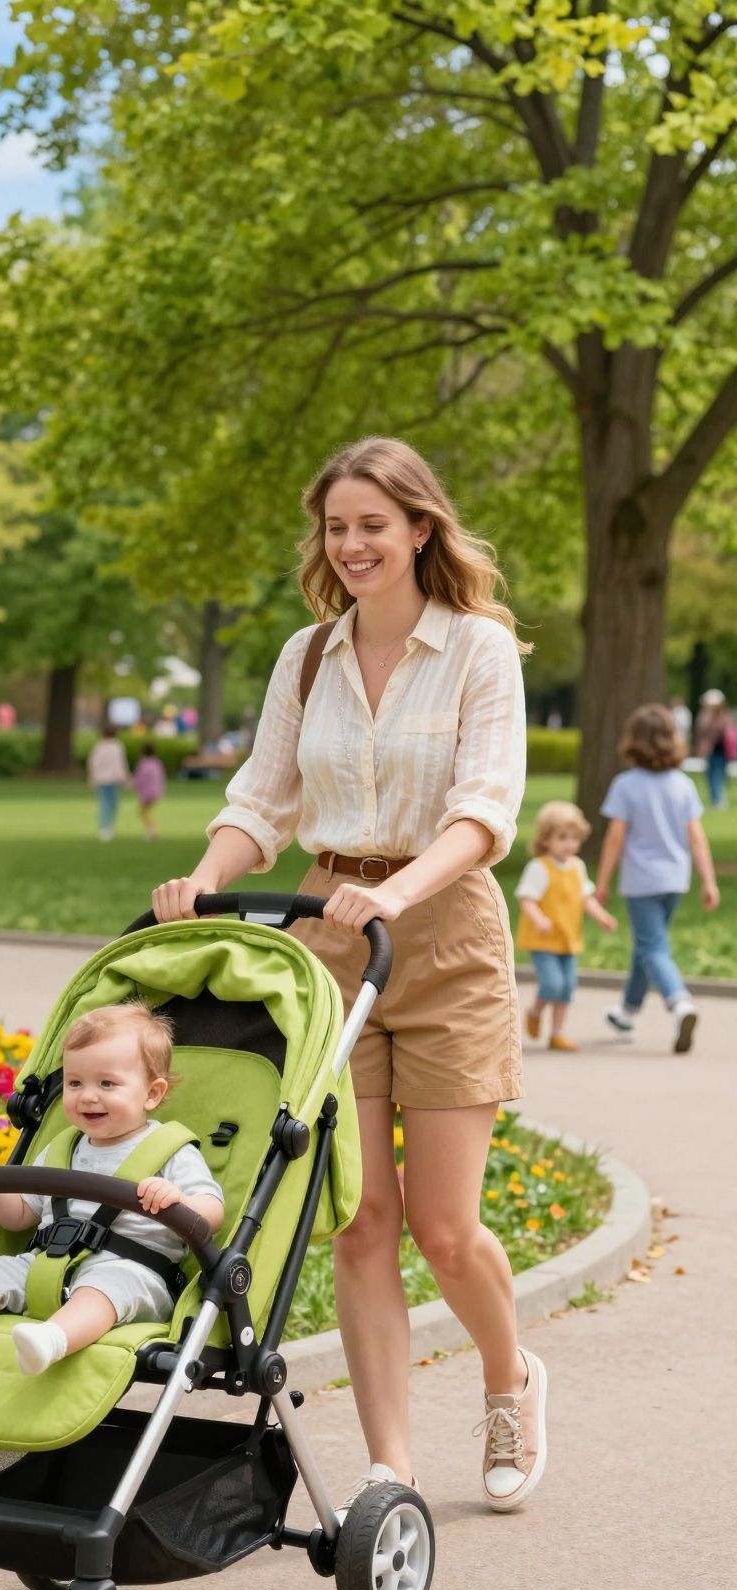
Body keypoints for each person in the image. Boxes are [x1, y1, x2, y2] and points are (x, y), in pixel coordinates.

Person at [151, 435, 545, 1511]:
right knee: (362, 1215)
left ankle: (508, 1379)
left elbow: (485, 807)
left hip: (446, 934)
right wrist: (204, 873)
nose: (354, 543)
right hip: (330, 942)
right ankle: (392, 1469)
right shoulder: (308, 655)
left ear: (422, 527)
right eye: (338, 526)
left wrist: (402, 891)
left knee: (445, 1228)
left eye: (375, 523)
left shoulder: (477, 648)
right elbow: (262, 800)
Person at [0, 1003, 224, 1375]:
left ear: (152, 1094)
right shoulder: (64, 1146)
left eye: (107, 1083)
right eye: (75, 1083)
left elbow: (212, 1211)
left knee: (103, 1290)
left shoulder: (170, 1150)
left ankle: (51, 1340)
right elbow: (20, 1216)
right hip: (48, 1264)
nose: (87, 1096)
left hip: (131, 1272)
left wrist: (178, 1200)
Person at [598, 704, 720, 1054]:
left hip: (641, 881)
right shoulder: (682, 785)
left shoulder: (625, 785)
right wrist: (708, 881)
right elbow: (697, 837)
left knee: (652, 947)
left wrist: (603, 882)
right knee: (648, 946)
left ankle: (680, 1003)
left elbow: (615, 838)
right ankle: (626, 1012)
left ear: (632, 741)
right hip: (675, 880)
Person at [515, 800, 617, 1050]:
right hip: (543, 940)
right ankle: (536, 1012)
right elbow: (527, 900)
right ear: (546, 839)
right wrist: (539, 919)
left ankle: (557, 1033)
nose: (569, 844)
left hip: (568, 938)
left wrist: (602, 916)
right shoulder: (539, 868)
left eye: (574, 838)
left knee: (567, 987)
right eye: (562, 837)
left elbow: (586, 899)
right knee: (552, 984)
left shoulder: (577, 867)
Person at [88, 720, 130, 841]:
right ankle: (108, 827)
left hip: (102, 779)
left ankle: (104, 828)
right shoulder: (117, 746)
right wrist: (125, 779)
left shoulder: (99, 746)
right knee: (112, 805)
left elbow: (93, 763)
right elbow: (121, 764)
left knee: (104, 804)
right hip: (113, 779)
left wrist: (92, 776)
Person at [693, 689, 733, 809]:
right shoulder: (705, 715)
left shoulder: (724, 715)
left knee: (718, 774)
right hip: (710, 750)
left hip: (722, 750)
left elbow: (725, 729)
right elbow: (700, 729)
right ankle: (716, 797)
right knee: (710, 775)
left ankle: (718, 798)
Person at [133, 742, 167, 840]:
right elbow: (162, 777)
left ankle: (153, 831)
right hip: (156, 791)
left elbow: (140, 778)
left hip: (147, 793)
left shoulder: (143, 764)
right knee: (144, 811)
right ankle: (152, 830)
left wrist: (131, 784)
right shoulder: (157, 763)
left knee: (142, 812)